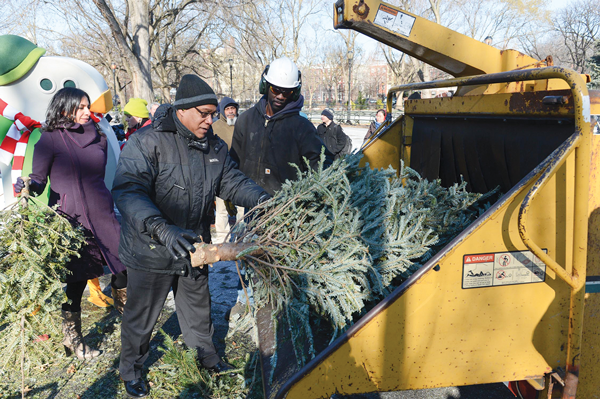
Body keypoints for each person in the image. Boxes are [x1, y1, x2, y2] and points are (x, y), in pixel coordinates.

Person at [112, 74, 270, 398]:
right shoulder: (147, 142)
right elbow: (128, 191)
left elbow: (233, 182)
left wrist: (263, 198)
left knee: (198, 310)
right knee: (141, 319)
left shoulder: (214, 147)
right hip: (150, 248)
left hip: (193, 248)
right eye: (204, 113)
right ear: (181, 110)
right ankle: (132, 370)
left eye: (213, 113)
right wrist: (162, 229)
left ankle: (207, 359)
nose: (210, 120)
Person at [14, 87, 127, 359]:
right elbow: (39, 181)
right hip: (70, 220)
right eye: (80, 107)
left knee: (124, 267)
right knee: (75, 282)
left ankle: (130, 327)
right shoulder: (49, 139)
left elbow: (99, 177)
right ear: (63, 108)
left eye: (87, 106)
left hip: (103, 213)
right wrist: (27, 184)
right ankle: (72, 340)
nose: (87, 112)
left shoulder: (99, 139)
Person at [230, 56, 333, 196]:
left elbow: (323, 163)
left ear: (294, 93)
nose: (280, 96)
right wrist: (232, 192)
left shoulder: (302, 128)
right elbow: (234, 161)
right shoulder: (246, 120)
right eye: (275, 89)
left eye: (286, 91)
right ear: (265, 86)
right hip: (251, 203)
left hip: (286, 210)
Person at [211, 96, 245, 244]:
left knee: (242, 209)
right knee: (222, 209)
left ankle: (241, 237)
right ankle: (221, 240)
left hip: (241, 173)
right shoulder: (215, 127)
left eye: (233, 109)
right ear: (223, 111)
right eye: (228, 109)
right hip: (221, 173)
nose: (231, 112)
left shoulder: (243, 125)